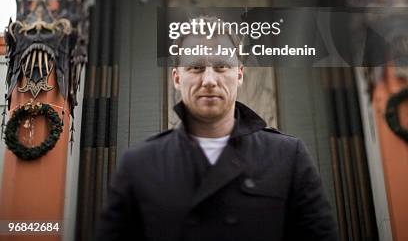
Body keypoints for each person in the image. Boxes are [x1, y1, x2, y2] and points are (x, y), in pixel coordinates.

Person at [95, 21, 339, 241]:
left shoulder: (288, 156)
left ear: (240, 74)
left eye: (221, 66)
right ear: (177, 78)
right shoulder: (138, 164)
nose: (209, 80)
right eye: (196, 68)